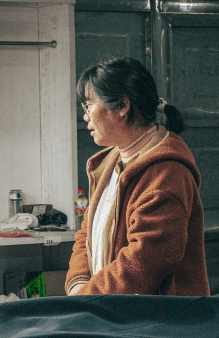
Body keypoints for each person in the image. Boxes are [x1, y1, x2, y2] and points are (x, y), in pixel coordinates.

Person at [67, 57, 208, 297]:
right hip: (108, 308)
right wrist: (78, 283)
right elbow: (86, 233)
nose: (86, 116)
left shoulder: (167, 173)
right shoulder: (112, 162)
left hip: (157, 317)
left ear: (123, 106)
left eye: (89, 105)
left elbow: (144, 264)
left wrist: (85, 298)